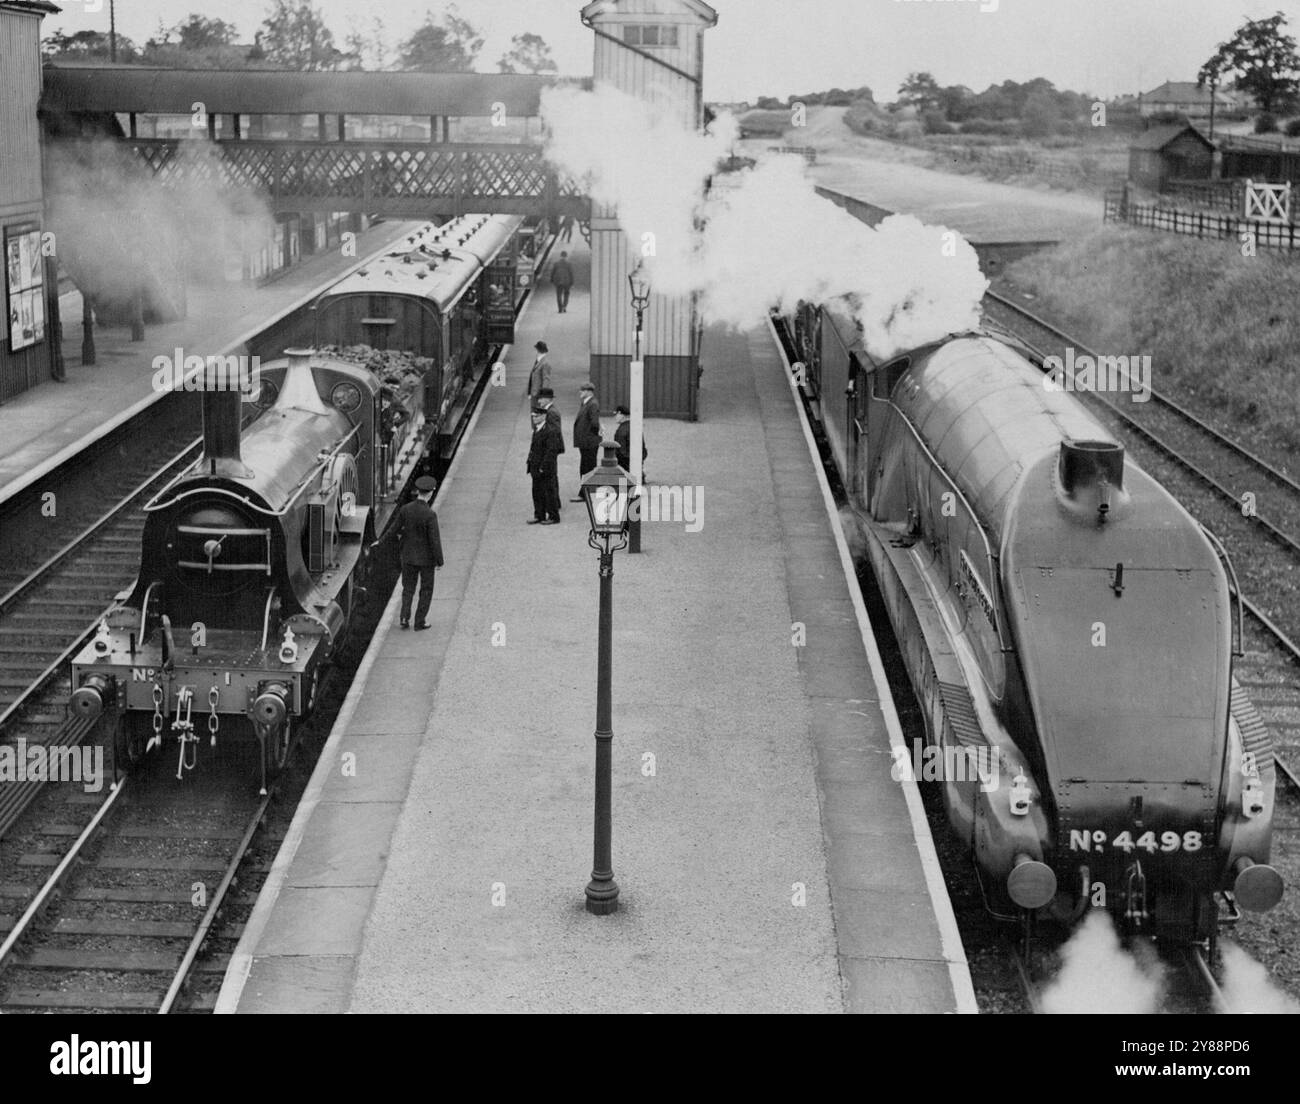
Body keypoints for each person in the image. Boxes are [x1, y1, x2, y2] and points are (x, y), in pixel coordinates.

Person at [396, 475, 444, 630]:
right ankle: (419, 621)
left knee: (408, 588)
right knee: (426, 589)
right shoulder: (430, 515)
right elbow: (434, 540)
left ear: (417, 491)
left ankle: (404, 617)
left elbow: (394, 530)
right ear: (430, 493)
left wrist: (380, 541)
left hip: (408, 557)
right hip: (426, 560)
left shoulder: (405, 509)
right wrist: (439, 561)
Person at [526, 404, 563, 524]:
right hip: (535, 467)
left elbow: (551, 451)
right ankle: (539, 515)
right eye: (533, 416)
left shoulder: (550, 431)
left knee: (549, 492)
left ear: (543, 416)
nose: (534, 419)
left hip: (545, 468)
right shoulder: (537, 430)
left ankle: (553, 516)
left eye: (536, 416)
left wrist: (543, 467)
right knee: (537, 492)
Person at [571, 382, 602, 501]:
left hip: (589, 442)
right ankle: (589, 491)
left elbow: (594, 423)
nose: (580, 392)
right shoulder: (586, 403)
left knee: (587, 467)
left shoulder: (592, 404)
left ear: (589, 391)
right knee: (586, 466)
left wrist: (590, 436)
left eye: (583, 390)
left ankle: (586, 493)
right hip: (586, 441)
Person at [613, 405, 648, 482]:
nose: (615, 417)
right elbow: (644, 450)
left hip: (626, 470)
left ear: (621, 415)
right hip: (637, 466)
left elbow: (621, 453)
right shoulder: (636, 427)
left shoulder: (621, 430)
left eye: (616, 414)